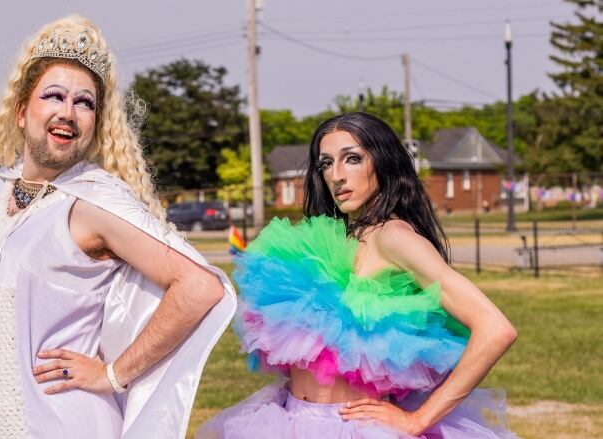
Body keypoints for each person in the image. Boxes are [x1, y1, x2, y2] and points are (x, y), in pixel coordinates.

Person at [0, 15, 236, 439]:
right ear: (23, 111)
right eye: (55, 96)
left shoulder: (92, 201)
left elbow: (199, 286)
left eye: (85, 103)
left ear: (96, 124)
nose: (68, 112)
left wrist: (114, 375)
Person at [198, 112, 518, 438]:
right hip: (290, 420)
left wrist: (418, 419)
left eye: (352, 159)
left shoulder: (394, 236)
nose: (336, 175)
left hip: (353, 429)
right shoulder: (332, 240)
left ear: (382, 161)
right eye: (325, 164)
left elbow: (495, 329)